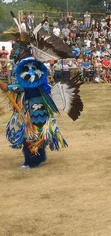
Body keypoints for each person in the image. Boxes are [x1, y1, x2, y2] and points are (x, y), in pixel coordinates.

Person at [1, 17, 83, 169]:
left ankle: (32, 161)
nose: (12, 50)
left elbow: (29, 85)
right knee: (35, 129)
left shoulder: (30, 63)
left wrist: (9, 87)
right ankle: (39, 157)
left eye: (14, 47)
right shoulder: (25, 62)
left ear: (22, 50)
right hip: (32, 102)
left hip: (36, 102)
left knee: (31, 131)